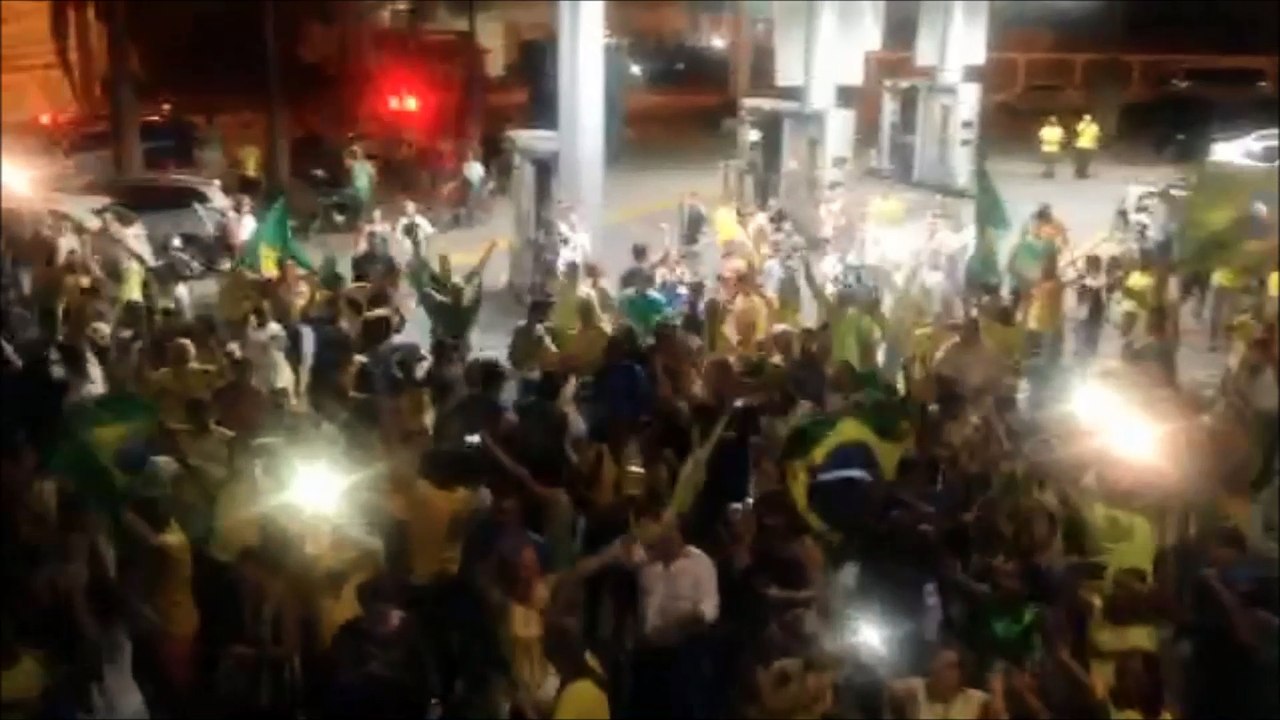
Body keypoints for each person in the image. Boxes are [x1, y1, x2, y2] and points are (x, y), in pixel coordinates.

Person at [1074, 113, 1102, 179]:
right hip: (1086, 145)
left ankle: (1080, 171)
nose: (1087, 121)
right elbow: (1097, 135)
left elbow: (1096, 135)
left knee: (1083, 160)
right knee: (1084, 160)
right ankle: (1082, 173)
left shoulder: (1083, 125)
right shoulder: (1091, 126)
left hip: (1083, 145)